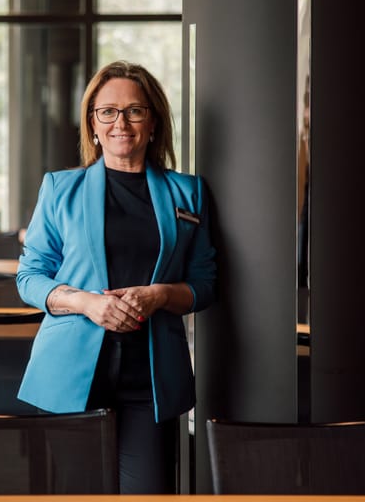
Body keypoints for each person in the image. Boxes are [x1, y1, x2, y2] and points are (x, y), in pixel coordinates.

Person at [16, 60, 217, 494]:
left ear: (153, 121)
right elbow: (30, 276)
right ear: (92, 123)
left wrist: (161, 295)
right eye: (107, 111)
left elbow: (204, 282)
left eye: (134, 111)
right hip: (70, 374)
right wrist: (88, 302)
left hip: (151, 379)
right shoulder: (59, 188)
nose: (120, 122)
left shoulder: (189, 192)